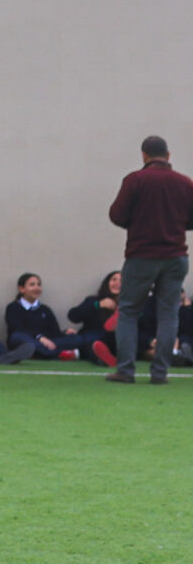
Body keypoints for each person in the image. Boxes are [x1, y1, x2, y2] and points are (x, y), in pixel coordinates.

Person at [106, 135, 193, 384]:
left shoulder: (135, 180)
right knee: (169, 314)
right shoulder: (185, 183)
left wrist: (139, 222)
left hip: (141, 254)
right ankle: (160, 373)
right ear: (168, 155)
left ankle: (125, 370)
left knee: (128, 312)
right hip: (175, 256)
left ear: (144, 155)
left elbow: (117, 215)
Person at [2, 273, 91, 362]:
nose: (37, 288)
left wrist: (65, 333)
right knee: (17, 337)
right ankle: (60, 354)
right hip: (28, 340)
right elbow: (17, 328)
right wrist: (39, 337)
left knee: (76, 338)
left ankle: (39, 354)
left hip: (48, 342)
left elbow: (55, 332)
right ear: (22, 289)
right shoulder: (13, 307)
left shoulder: (45, 309)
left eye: (39, 285)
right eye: (32, 285)